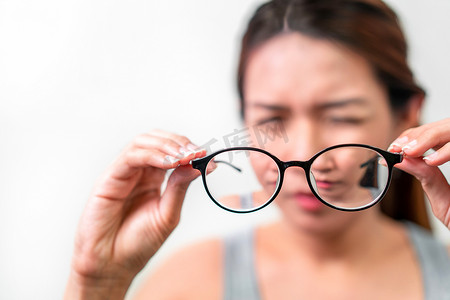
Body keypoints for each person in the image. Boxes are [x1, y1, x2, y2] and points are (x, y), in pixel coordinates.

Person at [64, 0, 450, 299]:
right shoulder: (185, 285)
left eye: (340, 117)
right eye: (272, 121)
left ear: (407, 117)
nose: (304, 156)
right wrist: (97, 285)